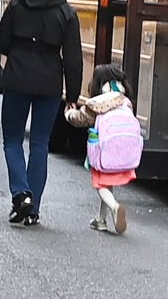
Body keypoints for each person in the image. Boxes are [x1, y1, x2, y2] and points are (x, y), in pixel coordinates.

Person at [0, 0, 83, 227]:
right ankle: (33, 207)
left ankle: (21, 194)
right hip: (48, 81)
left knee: (12, 139)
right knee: (40, 143)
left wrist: (17, 52)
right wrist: (73, 95)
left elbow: (1, 40)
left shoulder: (19, 2)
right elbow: (73, 59)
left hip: (18, 77)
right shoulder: (67, 13)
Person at [65, 64, 135, 235]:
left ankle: (114, 207)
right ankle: (101, 220)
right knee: (107, 181)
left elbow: (80, 119)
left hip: (103, 149)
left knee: (100, 183)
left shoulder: (97, 104)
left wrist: (68, 114)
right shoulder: (125, 101)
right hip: (124, 150)